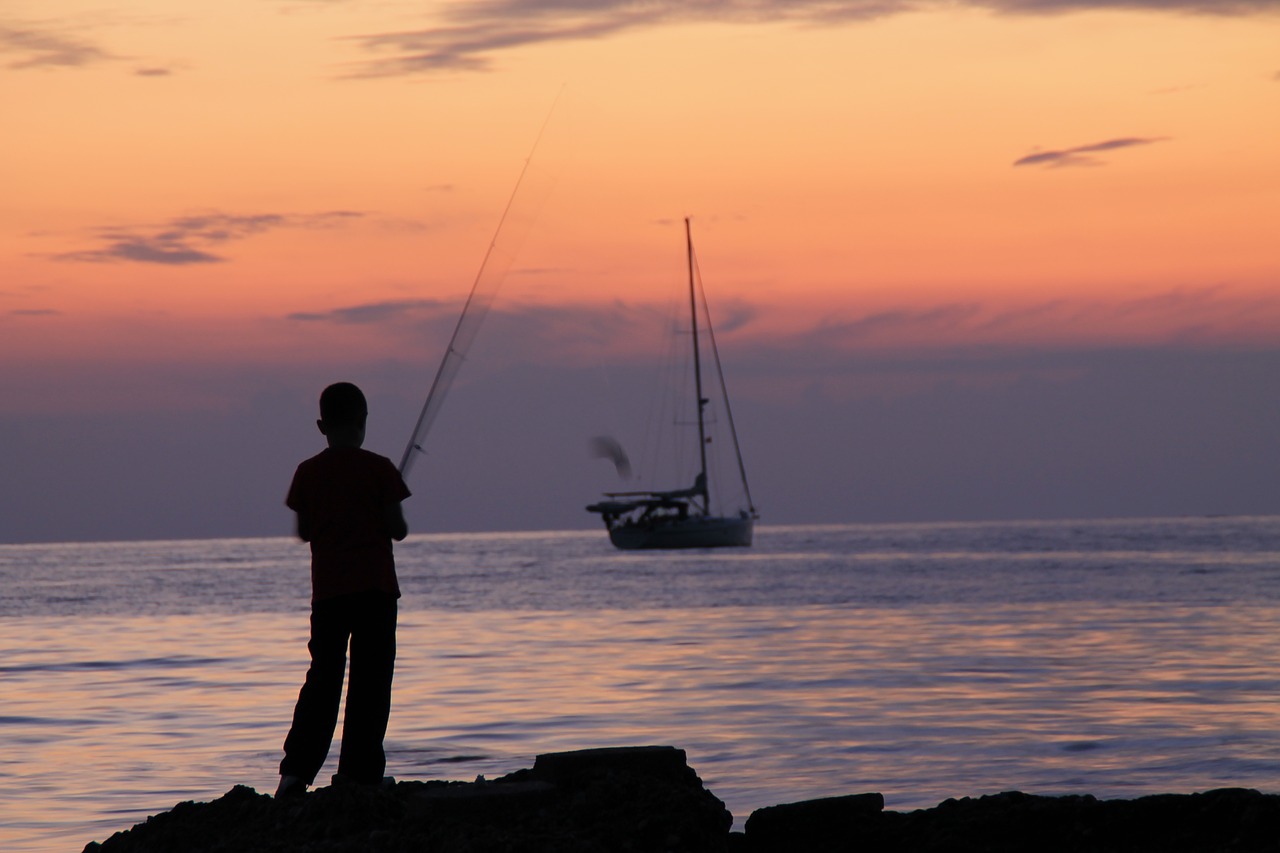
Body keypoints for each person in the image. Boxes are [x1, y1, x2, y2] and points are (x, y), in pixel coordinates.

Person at [275, 382, 411, 797]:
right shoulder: (381, 468)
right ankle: (360, 773)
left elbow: (304, 532)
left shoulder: (307, 472)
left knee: (323, 678)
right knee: (371, 680)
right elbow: (399, 530)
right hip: (375, 592)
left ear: (321, 426)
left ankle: (295, 774)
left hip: (330, 596)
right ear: (363, 421)